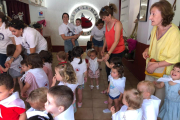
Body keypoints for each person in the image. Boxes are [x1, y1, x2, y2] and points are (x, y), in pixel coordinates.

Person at [142, 0, 180, 102]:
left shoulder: (174, 33)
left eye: (153, 14)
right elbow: (153, 46)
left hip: (164, 74)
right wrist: (147, 50)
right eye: (150, 14)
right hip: (150, 68)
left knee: (158, 102)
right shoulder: (155, 28)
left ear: (163, 15)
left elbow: (174, 58)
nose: (150, 17)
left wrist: (156, 65)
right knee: (145, 96)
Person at [99, 4, 125, 84]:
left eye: (104, 18)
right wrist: (103, 48)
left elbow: (116, 41)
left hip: (118, 51)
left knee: (115, 71)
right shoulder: (107, 24)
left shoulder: (117, 24)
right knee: (108, 69)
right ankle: (110, 88)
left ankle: (117, 89)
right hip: (110, 51)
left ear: (109, 15)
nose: (103, 20)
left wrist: (108, 53)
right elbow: (107, 37)